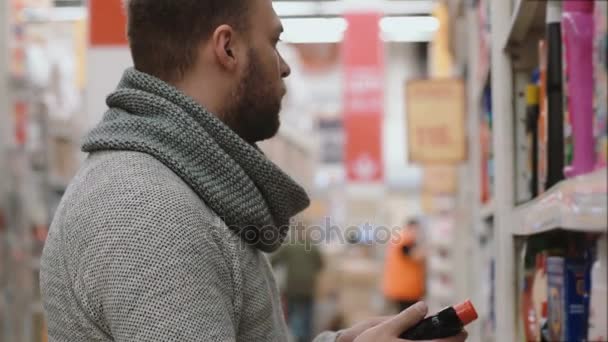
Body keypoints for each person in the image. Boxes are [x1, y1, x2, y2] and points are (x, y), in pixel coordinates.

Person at [39, 1, 467, 341]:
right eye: (274, 41)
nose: (284, 66)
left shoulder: (182, 187)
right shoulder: (148, 211)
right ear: (227, 48)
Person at [271, 227, 324, 342]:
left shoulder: (290, 246)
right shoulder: (312, 247)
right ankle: (307, 338)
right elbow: (320, 265)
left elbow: (273, 261)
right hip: (308, 289)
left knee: (294, 316)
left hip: (292, 288)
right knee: (307, 318)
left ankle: (296, 337)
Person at [382, 219, 426, 312]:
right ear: (411, 227)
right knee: (408, 318)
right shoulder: (406, 239)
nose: (418, 232)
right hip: (405, 290)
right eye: (417, 229)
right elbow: (415, 256)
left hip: (399, 288)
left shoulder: (400, 238)